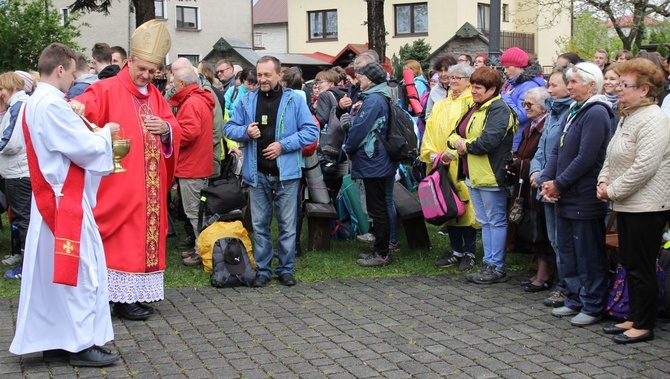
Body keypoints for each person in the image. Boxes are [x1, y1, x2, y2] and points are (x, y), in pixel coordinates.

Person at [9, 42, 120, 367]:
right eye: (72, 73)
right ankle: (81, 344)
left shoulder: (36, 101)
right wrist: (107, 133)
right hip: (64, 201)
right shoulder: (52, 105)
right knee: (81, 272)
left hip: (50, 200)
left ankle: (54, 340)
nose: (74, 80)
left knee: (51, 278)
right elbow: (84, 148)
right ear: (60, 69)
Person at [74, 20, 181, 321]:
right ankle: (118, 297)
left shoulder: (155, 95)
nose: (146, 75)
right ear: (130, 61)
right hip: (118, 186)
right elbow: (80, 110)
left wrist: (166, 128)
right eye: (142, 69)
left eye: (153, 71)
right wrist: (76, 108)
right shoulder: (105, 89)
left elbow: (172, 125)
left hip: (148, 188)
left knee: (140, 239)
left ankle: (133, 294)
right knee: (120, 240)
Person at [223, 55, 318, 287]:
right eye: (259, 74)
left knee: (287, 226)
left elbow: (310, 132)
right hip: (257, 174)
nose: (262, 79)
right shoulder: (246, 101)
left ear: (278, 75)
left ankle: (285, 269)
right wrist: (245, 131)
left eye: (267, 74)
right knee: (260, 226)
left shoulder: (294, 100)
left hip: (286, 175)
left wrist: (282, 145)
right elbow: (229, 128)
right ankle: (263, 271)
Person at [597, 58, 670, 344]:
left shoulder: (653, 118)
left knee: (641, 265)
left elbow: (644, 166)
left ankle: (644, 324)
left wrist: (611, 191)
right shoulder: (629, 114)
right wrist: (603, 181)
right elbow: (612, 153)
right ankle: (633, 315)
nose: (618, 89)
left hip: (647, 205)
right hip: (626, 202)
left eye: (625, 85)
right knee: (629, 262)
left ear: (644, 89)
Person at [540, 62, 614, 327]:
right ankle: (574, 298)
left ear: (591, 84)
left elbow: (586, 158)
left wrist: (558, 183)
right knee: (568, 250)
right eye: (568, 82)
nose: (569, 87)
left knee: (587, 252)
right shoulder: (574, 110)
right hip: (565, 194)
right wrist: (547, 179)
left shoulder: (596, 112)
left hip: (583, 195)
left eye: (573, 82)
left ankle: (593, 304)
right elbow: (558, 150)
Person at [447, 67, 518, 284]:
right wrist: (460, 144)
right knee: (485, 222)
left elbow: (488, 142)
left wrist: (464, 145)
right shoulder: (473, 107)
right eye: (473, 86)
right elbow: (452, 135)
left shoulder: (499, 110)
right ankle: (488, 263)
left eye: (478, 87)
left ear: (492, 89)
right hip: (473, 175)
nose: (473, 91)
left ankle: (496, 266)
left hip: (491, 175)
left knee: (495, 221)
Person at [420, 63, 478, 271]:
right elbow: (430, 130)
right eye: (450, 78)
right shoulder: (441, 104)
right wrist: (432, 154)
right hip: (440, 164)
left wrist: (453, 153)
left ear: (469, 80)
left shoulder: (472, 102)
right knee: (447, 204)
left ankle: (469, 251)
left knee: (466, 207)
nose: (452, 81)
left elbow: (470, 133)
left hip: (461, 162)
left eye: (457, 78)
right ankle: (455, 250)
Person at [342, 62, 397, 267]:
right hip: (378, 159)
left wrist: (348, 143)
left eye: (361, 77)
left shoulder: (374, 99)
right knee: (379, 205)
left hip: (374, 159)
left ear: (371, 80)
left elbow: (360, 130)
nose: (358, 80)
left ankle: (382, 253)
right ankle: (380, 248)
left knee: (377, 207)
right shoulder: (380, 96)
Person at [529, 65, 574, 307]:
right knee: (555, 240)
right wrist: (536, 171)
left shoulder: (572, 114)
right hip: (546, 185)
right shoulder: (553, 112)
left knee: (565, 242)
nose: (549, 89)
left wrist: (551, 179)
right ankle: (564, 285)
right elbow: (542, 148)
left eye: (554, 85)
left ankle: (567, 288)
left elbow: (569, 154)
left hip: (560, 187)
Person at [168, 58, 215, 267]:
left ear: (182, 85)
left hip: (192, 167)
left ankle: (202, 251)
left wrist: (168, 131)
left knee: (194, 212)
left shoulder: (191, 102)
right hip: (199, 164)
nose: (171, 87)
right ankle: (200, 248)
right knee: (197, 211)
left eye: (173, 83)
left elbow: (188, 134)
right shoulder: (200, 98)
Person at [506, 87, 552, 290]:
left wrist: (523, 164)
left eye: (529, 104)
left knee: (541, 230)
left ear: (543, 107)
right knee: (533, 228)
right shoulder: (531, 127)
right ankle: (539, 272)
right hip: (525, 184)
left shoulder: (545, 127)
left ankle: (544, 275)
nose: (525, 108)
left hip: (537, 184)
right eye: (524, 104)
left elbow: (541, 156)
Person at [0, 72, 31, 277]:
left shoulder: (18, 106)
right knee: (22, 219)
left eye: (2, 88)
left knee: (23, 220)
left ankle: (26, 267)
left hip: (18, 173)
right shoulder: (19, 105)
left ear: (12, 87)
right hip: (19, 171)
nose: (0, 93)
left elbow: (11, 141)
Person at [499, 47, 546, 152]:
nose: (505, 71)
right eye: (503, 67)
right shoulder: (513, 83)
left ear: (519, 66)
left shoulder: (529, 85)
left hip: (518, 142)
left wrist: (506, 98)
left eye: (508, 67)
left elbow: (522, 115)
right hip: (510, 140)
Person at [425, 54, 458, 119]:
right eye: (440, 71)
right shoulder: (434, 90)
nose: (443, 74)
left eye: (446, 70)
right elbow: (428, 115)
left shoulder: (460, 88)